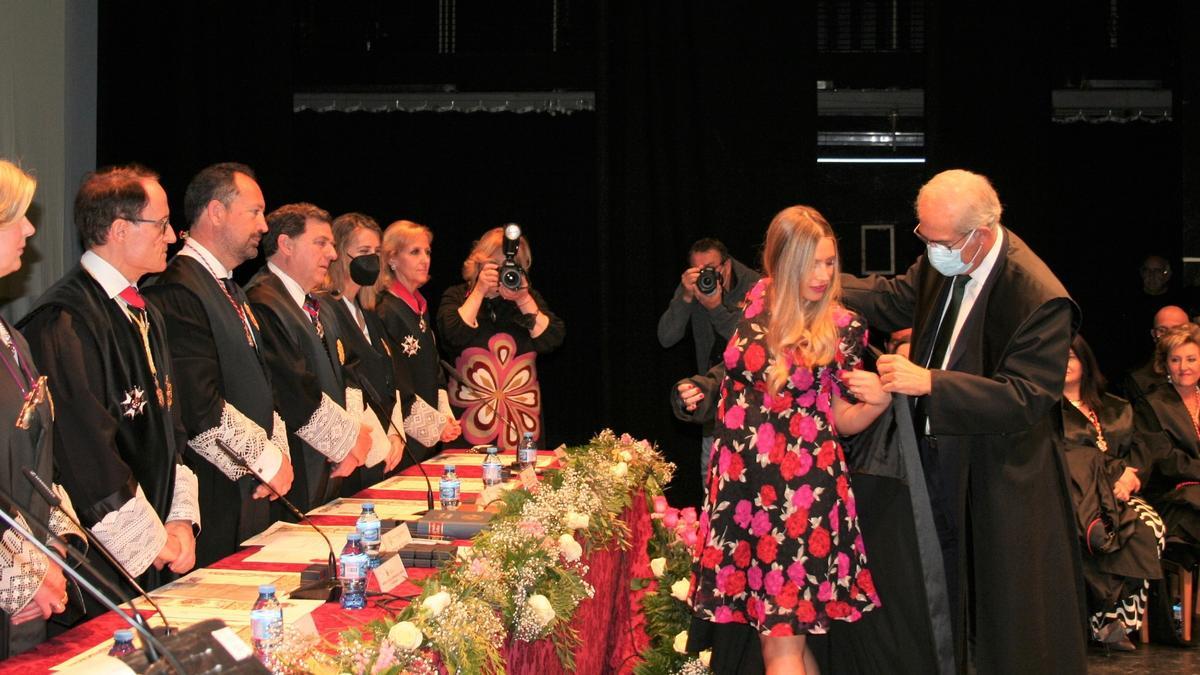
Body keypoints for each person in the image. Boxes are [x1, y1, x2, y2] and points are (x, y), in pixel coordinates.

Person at [841, 168, 1087, 674]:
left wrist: (930, 383)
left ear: (980, 235)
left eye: (940, 240)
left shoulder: (1038, 297)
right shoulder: (944, 258)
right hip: (940, 465)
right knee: (940, 599)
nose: (930, 249)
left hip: (1003, 478)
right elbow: (891, 297)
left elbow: (1026, 397)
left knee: (1003, 618)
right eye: (923, 236)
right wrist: (817, 283)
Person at [688, 205, 889, 675]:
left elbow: (839, 419)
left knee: (779, 646)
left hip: (799, 496)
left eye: (829, 262)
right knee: (784, 645)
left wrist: (878, 401)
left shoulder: (841, 327)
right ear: (780, 263)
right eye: (812, 263)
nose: (823, 275)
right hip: (743, 492)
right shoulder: (757, 298)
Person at [18, 165, 199, 611]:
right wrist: (151, 541)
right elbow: (82, 450)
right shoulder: (65, 320)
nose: (172, 237)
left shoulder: (145, 310)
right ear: (119, 230)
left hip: (159, 541)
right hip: (102, 561)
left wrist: (179, 521)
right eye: (160, 225)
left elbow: (170, 424)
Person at [143, 163, 294, 567]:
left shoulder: (229, 288)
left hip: (251, 491)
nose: (263, 225)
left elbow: (261, 384)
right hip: (214, 495)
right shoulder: (178, 288)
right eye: (255, 212)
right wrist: (265, 460)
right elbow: (197, 404)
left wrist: (277, 456)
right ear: (216, 212)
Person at [0, 160, 84, 656]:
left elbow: (36, 462)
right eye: (17, 217)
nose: (32, 229)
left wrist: (52, 548)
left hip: (26, 606)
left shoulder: (12, 339)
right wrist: (19, 572)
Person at [245, 203, 373, 512]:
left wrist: (354, 436)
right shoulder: (263, 300)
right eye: (320, 243)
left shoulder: (320, 304)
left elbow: (350, 371)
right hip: (297, 469)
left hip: (332, 466)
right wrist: (346, 443)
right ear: (286, 244)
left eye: (331, 244)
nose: (332, 254)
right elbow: (291, 387)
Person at [1061, 334, 1164, 651]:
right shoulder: (1046, 412)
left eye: (1072, 356)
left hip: (1119, 494)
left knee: (1151, 530)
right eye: (1058, 356)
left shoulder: (1116, 408)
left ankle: (1120, 621)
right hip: (1076, 497)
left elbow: (1141, 451)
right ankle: (1102, 619)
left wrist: (1132, 477)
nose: (1065, 363)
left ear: (1085, 361)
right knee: (1098, 534)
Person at [437, 227, 565, 451]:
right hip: (469, 426)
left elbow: (552, 339)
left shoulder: (527, 301)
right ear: (479, 264)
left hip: (522, 427)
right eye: (498, 265)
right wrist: (479, 291)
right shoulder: (457, 296)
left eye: (515, 266)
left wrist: (524, 299)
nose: (506, 272)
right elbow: (452, 335)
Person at [659, 238, 761, 481]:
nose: (707, 275)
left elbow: (750, 342)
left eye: (712, 269)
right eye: (699, 270)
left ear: (726, 265)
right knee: (711, 475)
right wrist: (684, 297)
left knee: (750, 477)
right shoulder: (694, 288)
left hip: (752, 402)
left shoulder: (755, 286)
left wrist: (715, 307)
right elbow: (666, 337)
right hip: (714, 399)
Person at [319, 212, 405, 490]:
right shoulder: (325, 308)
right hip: (354, 453)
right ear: (340, 254)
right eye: (364, 251)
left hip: (383, 453)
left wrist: (395, 434)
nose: (373, 260)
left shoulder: (368, 312)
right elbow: (345, 382)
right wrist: (377, 442)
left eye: (377, 252)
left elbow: (389, 379)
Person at [367, 220, 460, 463]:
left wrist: (444, 416)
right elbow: (396, 381)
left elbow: (433, 368)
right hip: (402, 437)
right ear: (392, 259)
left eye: (428, 252)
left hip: (425, 439)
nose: (425, 259)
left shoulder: (420, 306)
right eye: (415, 252)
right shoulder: (385, 308)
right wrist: (433, 425)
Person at [1132, 323, 1200, 551]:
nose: (1183, 367)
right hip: (1172, 495)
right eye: (1175, 360)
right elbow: (1166, 461)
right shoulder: (1150, 404)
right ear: (1165, 364)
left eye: (1191, 359)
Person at [1121, 305, 1188, 405]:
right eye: (1162, 330)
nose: (1169, 336)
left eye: (1176, 330)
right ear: (1153, 335)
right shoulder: (1137, 381)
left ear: (1189, 332)